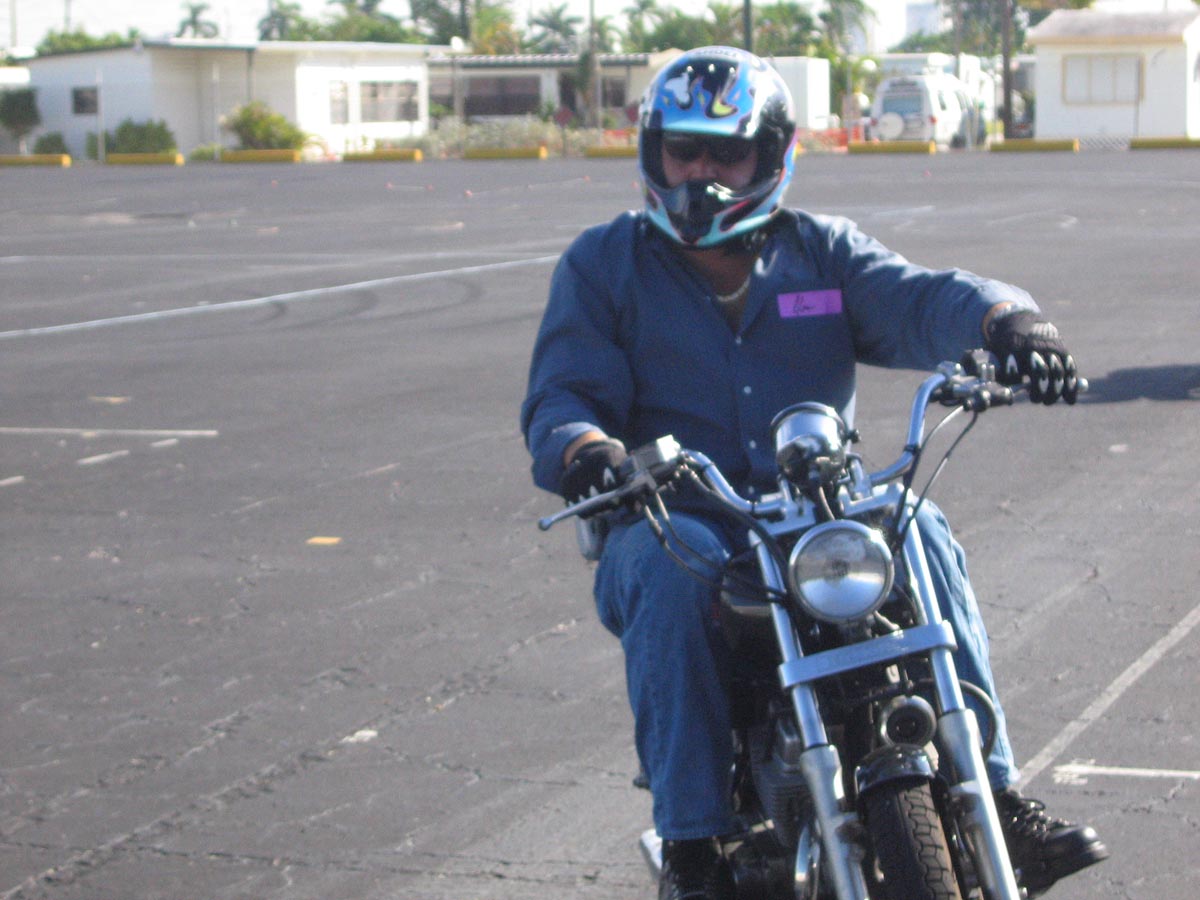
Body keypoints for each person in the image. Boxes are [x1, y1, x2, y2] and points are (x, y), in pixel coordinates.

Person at [520, 46, 1107, 900]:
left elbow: (919, 296)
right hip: (683, 515)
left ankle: (998, 792)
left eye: (727, 153)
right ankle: (694, 847)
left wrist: (1008, 323)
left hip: (816, 506)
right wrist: (586, 451)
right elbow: (563, 392)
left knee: (920, 528)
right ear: (654, 153)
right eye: (684, 150)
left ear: (770, 155)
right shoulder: (605, 264)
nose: (702, 173)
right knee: (665, 572)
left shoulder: (822, 253)